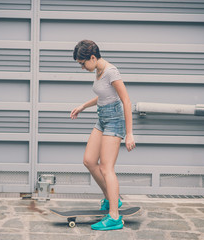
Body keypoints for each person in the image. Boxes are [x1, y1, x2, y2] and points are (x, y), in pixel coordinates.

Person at [70, 40, 136, 231]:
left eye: (83, 63)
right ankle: (111, 199)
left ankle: (114, 217)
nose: (82, 67)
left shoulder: (111, 71)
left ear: (93, 57)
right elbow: (104, 95)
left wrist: (129, 134)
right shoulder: (98, 71)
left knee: (107, 168)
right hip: (102, 119)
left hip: (115, 120)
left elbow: (126, 101)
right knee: (89, 161)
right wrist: (83, 106)